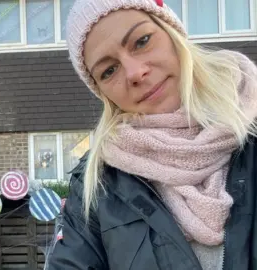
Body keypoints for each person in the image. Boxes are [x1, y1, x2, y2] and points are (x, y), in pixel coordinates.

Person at [48, 0, 257, 269]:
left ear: (172, 32)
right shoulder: (98, 184)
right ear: (102, 92)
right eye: (109, 70)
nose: (136, 73)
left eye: (142, 41)